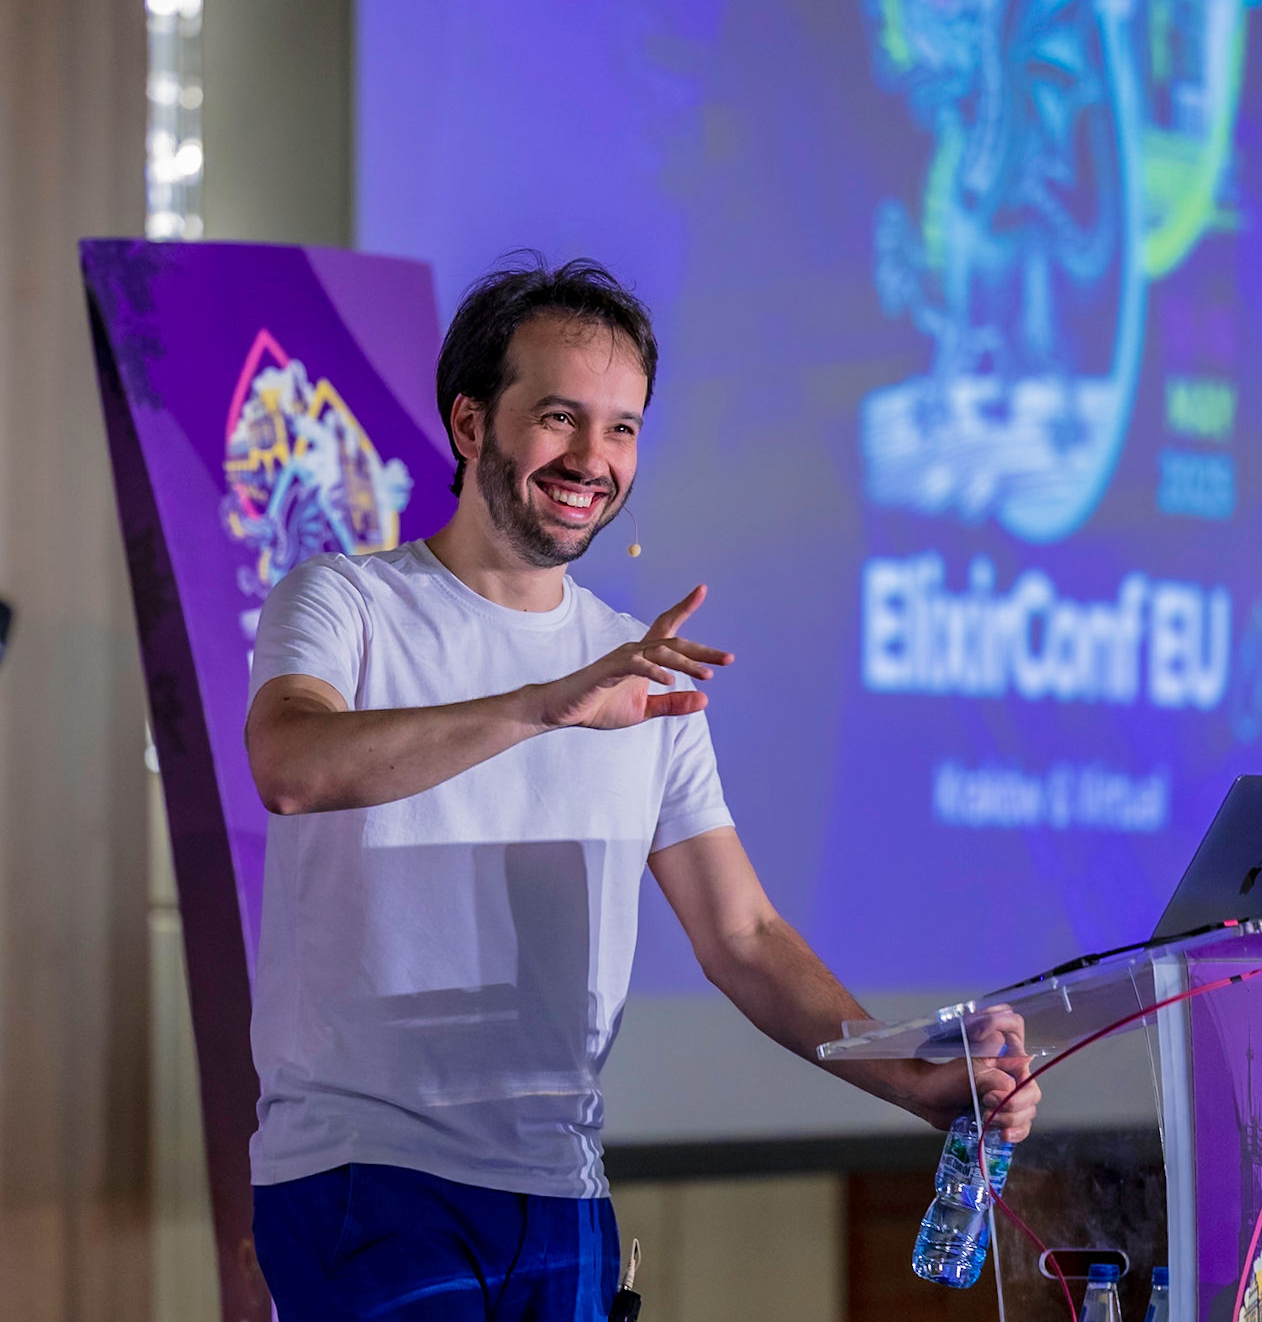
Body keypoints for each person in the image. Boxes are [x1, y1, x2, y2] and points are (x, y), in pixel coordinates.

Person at [243, 257, 1041, 1319]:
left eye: (621, 428)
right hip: (365, 1176)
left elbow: (743, 935)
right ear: (470, 423)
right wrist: (542, 705)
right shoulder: (347, 602)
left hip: (560, 1189)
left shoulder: (636, 665)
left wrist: (907, 1078)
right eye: (559, 418)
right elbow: (290, 766)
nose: (592, 459)